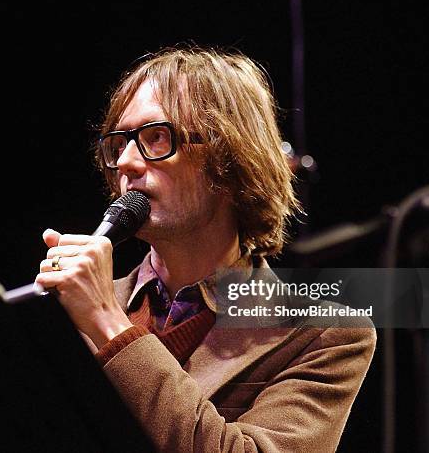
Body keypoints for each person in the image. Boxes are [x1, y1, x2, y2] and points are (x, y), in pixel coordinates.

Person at [35, 46, 376, 452]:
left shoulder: (323, 333)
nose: (125, 162)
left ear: (231, 159)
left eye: (155, 137)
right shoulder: (72, 313)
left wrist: (110, 325)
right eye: (118, 143)